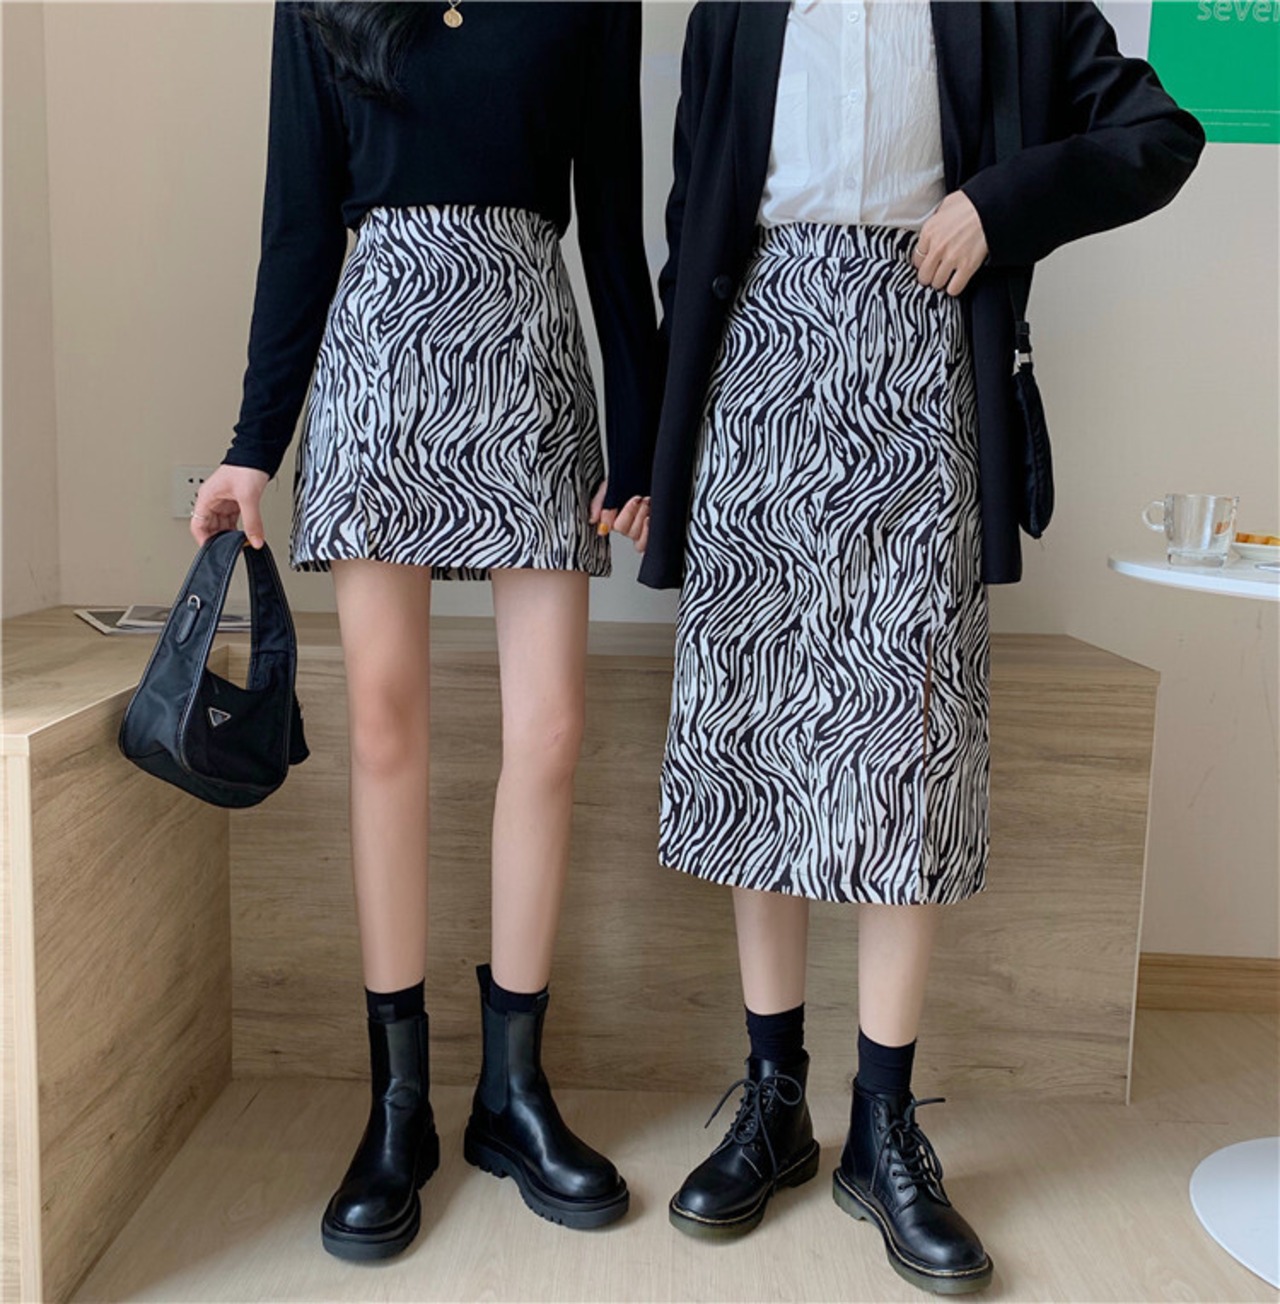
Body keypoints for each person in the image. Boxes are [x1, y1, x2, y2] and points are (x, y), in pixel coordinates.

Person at [632, 1, 1203, 1293]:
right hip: (756, 380)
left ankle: (883, 1126)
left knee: (908, 755)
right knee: (757, 747)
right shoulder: (736, 10)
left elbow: (1159, 135)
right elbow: (690, 227)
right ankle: (774, 1102)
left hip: (920, 373)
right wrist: (658, 450)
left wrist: (998, 204)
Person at [191, 0, 656, 1260]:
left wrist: (643, 432)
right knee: (386, 727)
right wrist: (252, 445)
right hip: (379, 357)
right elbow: (298, 223)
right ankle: (396, 1106)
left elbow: (613, 218)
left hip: (528, 351)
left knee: (548, 731)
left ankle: (512, 1093)